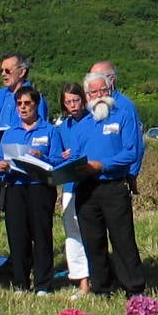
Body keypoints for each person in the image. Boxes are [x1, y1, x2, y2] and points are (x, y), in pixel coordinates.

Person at [0, 54, 46, 280]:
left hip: (18, 172)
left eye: (7, 70)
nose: (2, 74)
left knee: (21, 223)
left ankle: (23, 265)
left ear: (21, 72)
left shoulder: (34, 97)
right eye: (1, 70)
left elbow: (39, 129)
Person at [76, 69, 146, 296]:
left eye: (102, 90)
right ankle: (102, 287)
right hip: (86, 188)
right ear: (87, 96)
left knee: (122, 238)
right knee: (93, 240)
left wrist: (102, 165)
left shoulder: (122, 116)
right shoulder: (82, 124)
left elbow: (131, 152)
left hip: (113, 186)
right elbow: (74, 155)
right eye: (93, 91)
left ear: (110, 91)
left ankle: (134, 287)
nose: (98, 95)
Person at [0, 86, 66, 294]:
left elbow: (57, 160)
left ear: (36, 105)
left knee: (41, 235)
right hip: (15, 187)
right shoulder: (10, 133)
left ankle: (43, 283)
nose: (23, 108)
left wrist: (40, 156)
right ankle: (20, 282)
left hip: (39, 188)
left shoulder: (50, 130)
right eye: (19, 104)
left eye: (27, 103)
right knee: (18, 236)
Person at [56, 82, 93, 294]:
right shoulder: (63, 128)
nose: (72, 105)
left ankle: (100, 273)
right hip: (70, 186)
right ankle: (82, 280)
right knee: (72, 232)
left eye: (76, 100)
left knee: (92, 232)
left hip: (90, 183)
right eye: (68, 102)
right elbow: (56, 155)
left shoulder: (94, 122)